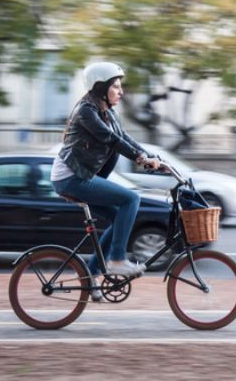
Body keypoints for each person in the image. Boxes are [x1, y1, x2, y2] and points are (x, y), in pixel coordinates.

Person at [50, 61, 161, 300]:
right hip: (71, 176)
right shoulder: (86, 112)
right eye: (116, 87)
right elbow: (111, 139)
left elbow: (125, 137)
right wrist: (141, 158)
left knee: (118, 217)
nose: (121, 92)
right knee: (131, 198)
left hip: (81, 176)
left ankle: (90, 277)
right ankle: (118, 259)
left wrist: (152, 157)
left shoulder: (108, 111)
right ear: (100, 87)